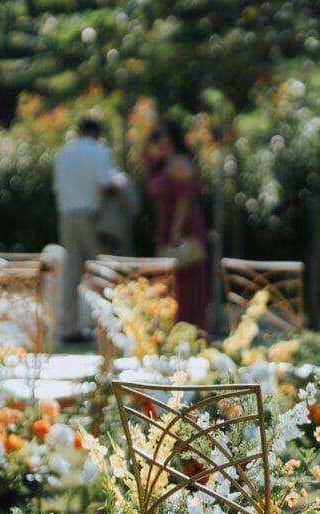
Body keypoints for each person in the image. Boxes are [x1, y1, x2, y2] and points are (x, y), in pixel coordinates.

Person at [52, 115, 124, 344]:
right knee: (102, 271)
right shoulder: (98, 151)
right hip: (92, 217)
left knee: (71, 274)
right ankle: (107, 326)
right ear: (97, 132)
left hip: (67, 215)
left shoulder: (64, 151)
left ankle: (67, 327)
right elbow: (105, 185)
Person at [140, 120, 211, 333]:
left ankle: (189, 331)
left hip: (183, 228)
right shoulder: (161, 163)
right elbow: (144, 161)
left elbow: (185, 199)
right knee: (167, 282)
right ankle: (165, 330)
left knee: (184, 285)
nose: (160, 141)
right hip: (166, 226)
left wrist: (176, 231)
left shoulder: (180, 162)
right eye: (157, 137)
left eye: (164, 135)